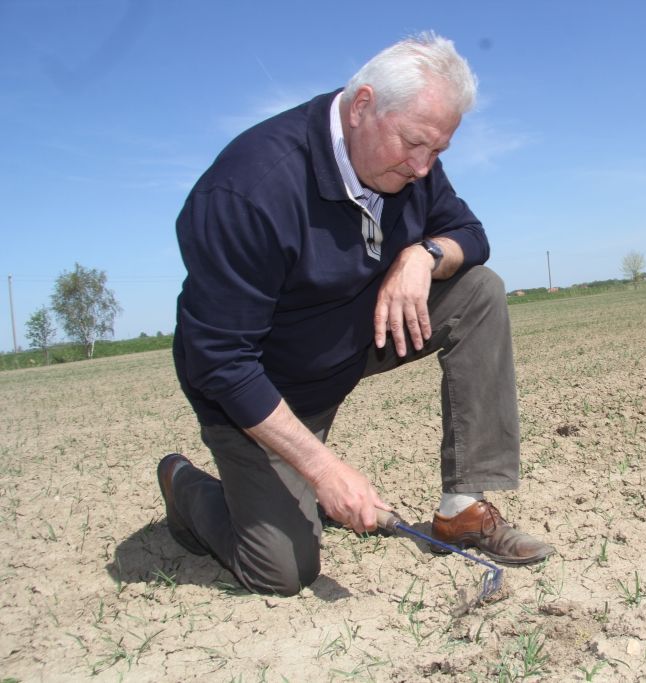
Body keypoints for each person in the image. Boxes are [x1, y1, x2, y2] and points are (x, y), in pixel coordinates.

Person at [159, 33, 553, 596]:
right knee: (283, 569)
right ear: (363, 104)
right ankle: (187, 487)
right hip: (260, 394)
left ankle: (462, 506)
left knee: (478, 290)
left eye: (437, 152)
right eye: (415, 144)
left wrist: (425, 254)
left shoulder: (414, 163)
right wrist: (323, 469)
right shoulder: (248, 192)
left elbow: (472, 235)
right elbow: (221, 362)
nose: (422, 167)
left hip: (352, 340)